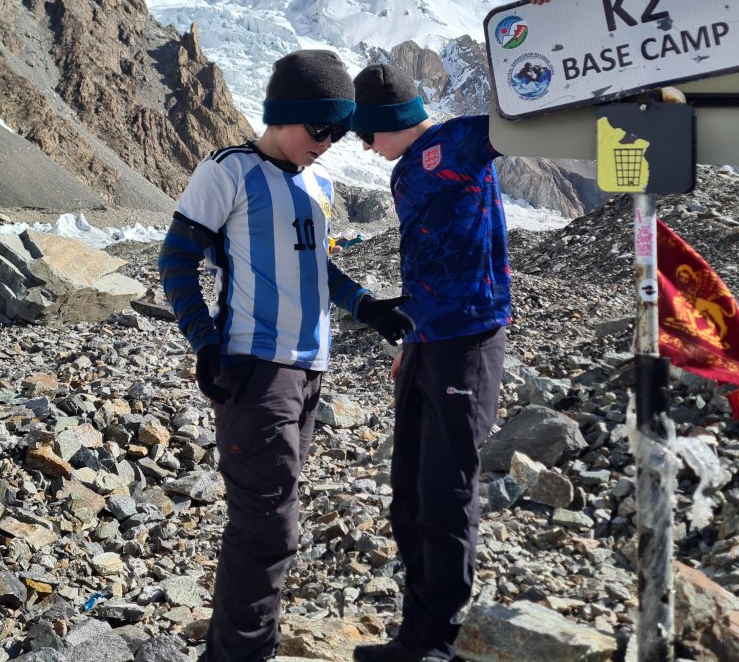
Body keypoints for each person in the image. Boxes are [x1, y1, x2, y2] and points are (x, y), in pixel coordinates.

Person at [158, 49, 413, 662]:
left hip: (310, 371)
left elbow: (316, 268)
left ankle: (247, 649)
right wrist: (206, 342)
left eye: (339, 131)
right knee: (268, 526)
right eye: (319, 127)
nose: (327, 142)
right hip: (254, 369)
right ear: (283, 115)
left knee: (274, 519)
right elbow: (175, 261)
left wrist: (368, 307)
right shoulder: (227, 171)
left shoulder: (318, 185)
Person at [350, 64, 510, 662]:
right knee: (410, 492)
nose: (365, 147)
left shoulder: (464, 140)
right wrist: (410, 344)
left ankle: (438, 642)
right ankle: (415, 634)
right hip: (426, 342)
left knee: (446, 491)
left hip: (468, 341)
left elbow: (523, 114)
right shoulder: (402, 172)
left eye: (368, 134)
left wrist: (543, 28)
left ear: (389, 121)